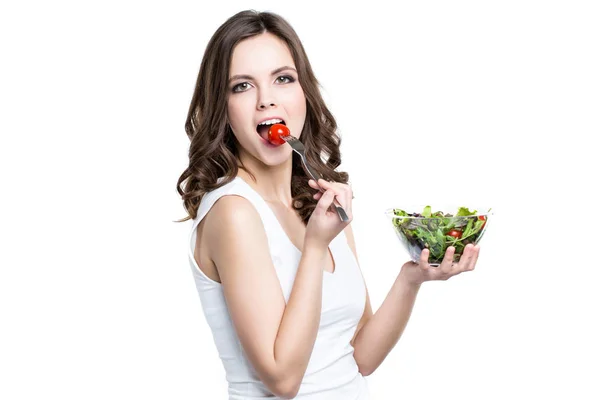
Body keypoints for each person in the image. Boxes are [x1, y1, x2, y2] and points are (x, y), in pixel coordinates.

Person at [176, 10, 480, 400]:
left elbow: (360, 357)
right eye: (242, 86)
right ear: (222, 106)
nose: (266, 100)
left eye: (283, 79)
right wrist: (315, 247)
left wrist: (411, 279)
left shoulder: (319, 205)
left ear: (304, 92)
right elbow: (283, 381)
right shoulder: (233, 213)